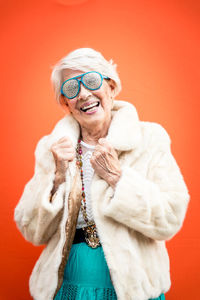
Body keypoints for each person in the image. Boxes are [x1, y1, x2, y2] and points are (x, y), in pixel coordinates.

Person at [14, 48, 190, 300]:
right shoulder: (51, 149)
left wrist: (118, 179)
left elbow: (170, 219)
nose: (84, 94)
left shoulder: (150, 139)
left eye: (92, 81)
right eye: (71, 89)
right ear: (65, 103)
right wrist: (57, 179)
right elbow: (33, 231)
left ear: (111, 86)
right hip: (71, 283)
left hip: (135, 286)